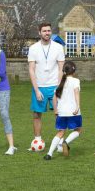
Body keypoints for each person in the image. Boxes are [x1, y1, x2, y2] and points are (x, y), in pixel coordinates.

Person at [28, 22, 65, 150]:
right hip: (40, 87)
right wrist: (36, 89)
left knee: (59, 114)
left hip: (55, 85)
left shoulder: (58, 47)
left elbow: (61, 68)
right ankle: (37, 140)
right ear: (39, 32)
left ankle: (60, 142)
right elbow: (31, 70)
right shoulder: (33, 48)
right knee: (37, 114)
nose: (47, 33)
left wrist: (58, 87)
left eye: (49, 30)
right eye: (44, 31)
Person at [43, 61, 82, 160]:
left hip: (61, 112)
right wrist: (77, 106)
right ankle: (66, 142)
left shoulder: (60, 83)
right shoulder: (75, 81)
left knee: (60, 132)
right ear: (74, 71)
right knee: (78, 130)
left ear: (64, 71)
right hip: (73, 111)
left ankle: (49, 154)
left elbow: (54, 98)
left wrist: (55, 111)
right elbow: (76, 92)